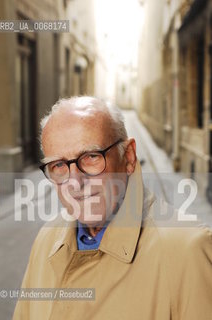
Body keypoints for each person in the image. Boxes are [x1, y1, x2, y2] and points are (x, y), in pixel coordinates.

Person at [13, 96, 212, 320]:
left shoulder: (187, 251)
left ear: (128, 157)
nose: (76, 183)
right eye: (58, 165)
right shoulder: (46, 240)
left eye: (90, 157)